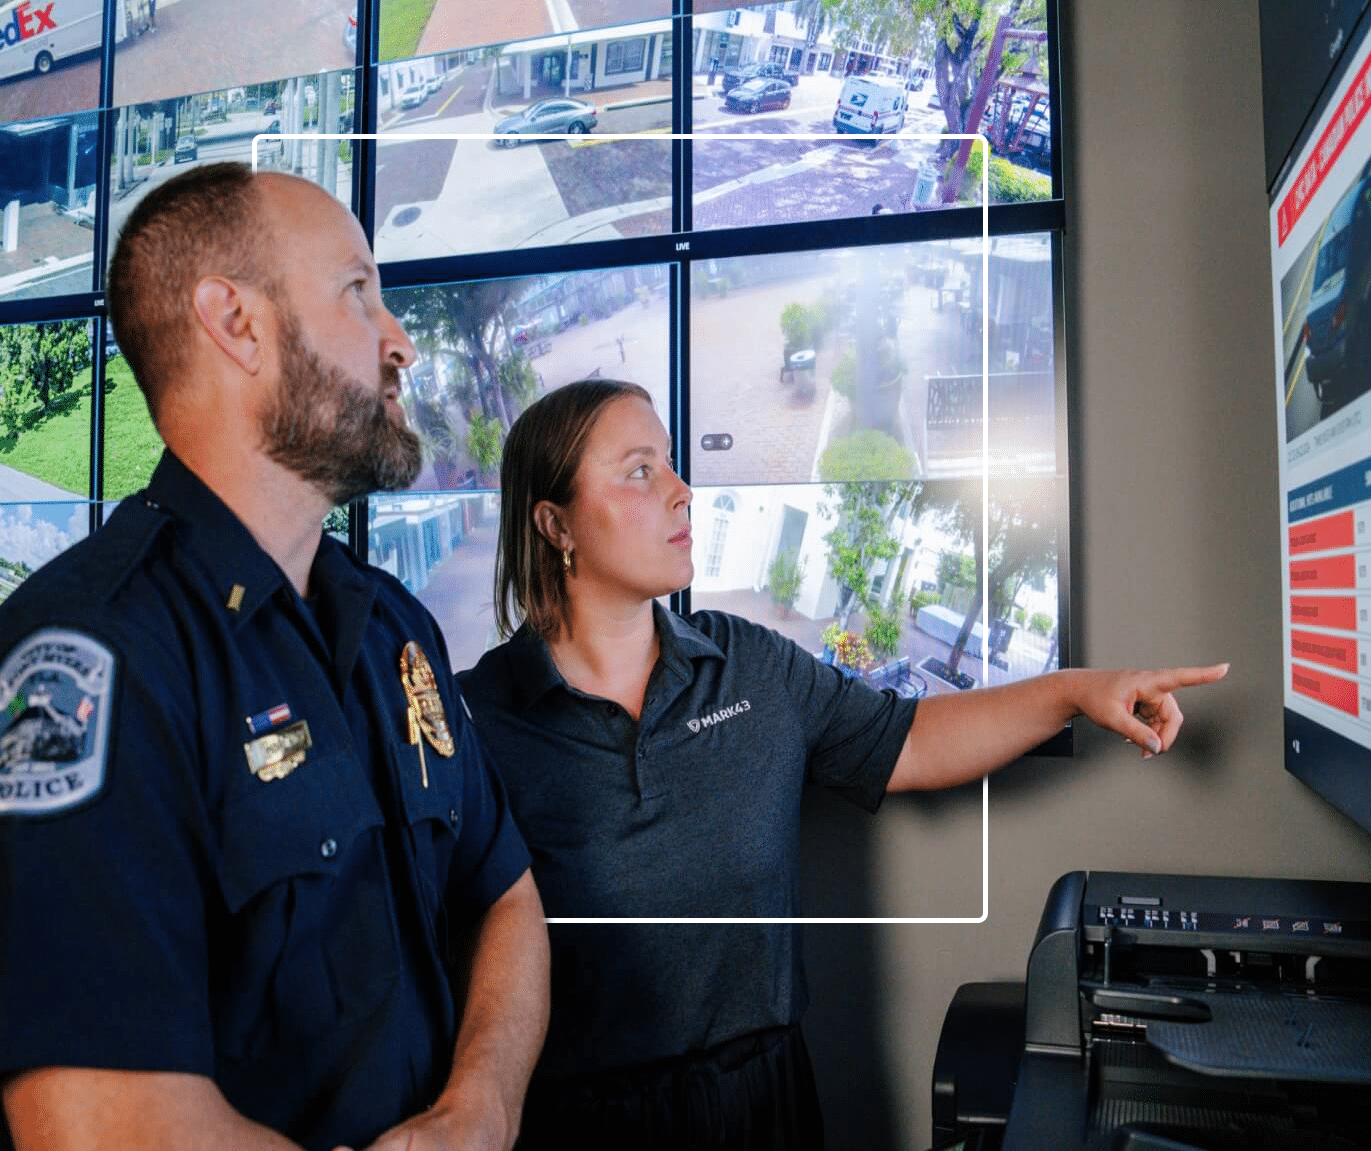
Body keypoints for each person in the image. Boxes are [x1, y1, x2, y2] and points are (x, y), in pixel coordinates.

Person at [460, 378, 1229, 1150]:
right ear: (555, 523)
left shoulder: (749, 664)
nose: (682, 491)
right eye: (640, 471)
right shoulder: (475, 722)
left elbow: (912, 738)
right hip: (577, 1122)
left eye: (670, 462)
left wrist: (1076, 692)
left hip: (766, 1107)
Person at [0, 163, 549, 1151]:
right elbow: (98, 1123)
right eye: (357, 292)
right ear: (235, 324)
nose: (399, 341)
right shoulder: (89, 662)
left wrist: (480, 1108)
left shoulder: (394, 630)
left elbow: (503, 895)